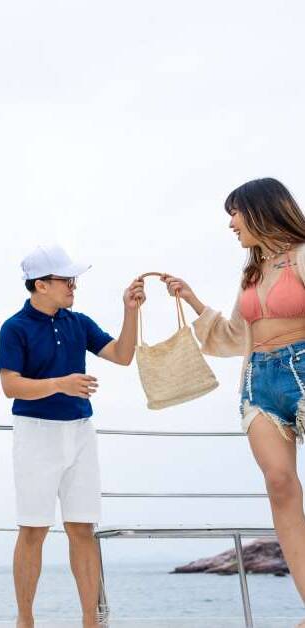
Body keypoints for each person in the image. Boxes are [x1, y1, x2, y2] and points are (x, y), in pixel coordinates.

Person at [162, 177, 305, 603]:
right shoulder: (253, 272)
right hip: (259, 384)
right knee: (279, 485)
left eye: (235, 213)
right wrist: (191, 299)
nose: (231, 225)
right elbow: (230, 336)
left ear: (263, 209)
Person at [0, 244, 144, 628]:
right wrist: (60, 384)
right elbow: (11, 387)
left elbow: (123, 355)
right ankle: (25, 620)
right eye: (66, 280)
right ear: (41, 285)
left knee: (82, 529)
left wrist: (131, 311)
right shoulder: (14, 328)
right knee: (33, 529)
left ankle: (90, 622)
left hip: (80, 433)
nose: (73, 286)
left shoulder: (78, 322)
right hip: (36, 435)